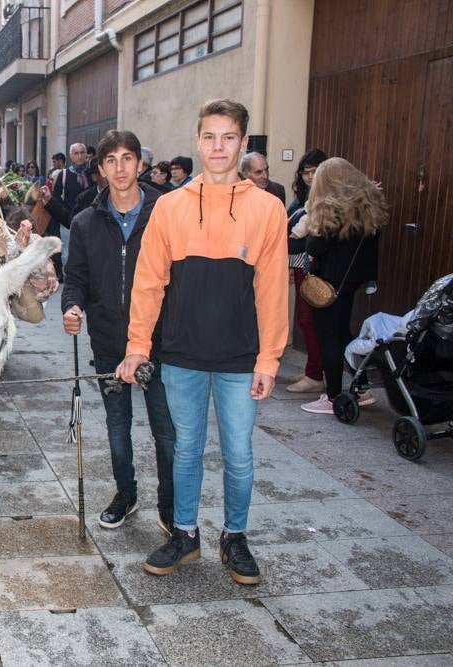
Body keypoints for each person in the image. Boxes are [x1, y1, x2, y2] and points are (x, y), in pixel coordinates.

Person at [120, 99, 288, 586]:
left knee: (238, 454)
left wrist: (270, 359)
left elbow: (274, 287)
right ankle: (186, 533)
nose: (218, 147)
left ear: (242, 143)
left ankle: (234, 537)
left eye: (228, 137)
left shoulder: (267, 209)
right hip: (181, 354)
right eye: (210, 137)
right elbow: (149, 283)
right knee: (186, 449)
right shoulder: (170, 206)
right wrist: (138, 346)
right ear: (198, 141)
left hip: (241, 357)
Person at [62, 130, 176, 535]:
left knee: (167, 431)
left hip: (162, 344)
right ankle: (125, 494)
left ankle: (169, 504)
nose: (120, 168)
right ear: (101, 169)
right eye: (111, 160)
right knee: (117, 426)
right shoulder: (85, 222)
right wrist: (71, 307)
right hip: (109, 342)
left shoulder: (166, 212)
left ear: (140, 164)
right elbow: (74, 279)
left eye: (128, 158)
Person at [300, 158, 387, 415]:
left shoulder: (332, 210)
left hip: (329, 281)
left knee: (329, 337)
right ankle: (361, 387)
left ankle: (333, 395)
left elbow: (314, 246)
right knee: (342, 333)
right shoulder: (367, 206)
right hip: (353, 280)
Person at [283, 148, 329, 393]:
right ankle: (313, 369)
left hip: (314, 266)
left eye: (314, 171)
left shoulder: (326, 197)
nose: (309, 177)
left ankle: (314, 375)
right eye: (305, 172)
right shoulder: (303, 197)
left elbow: (306, 235)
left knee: (309, 320)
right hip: (301, 264)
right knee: (305, 319)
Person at [52, 142, 90, 210]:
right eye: (76, 153)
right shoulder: (64, 174)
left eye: (82, 153)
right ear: (71, 156)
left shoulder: (92, 173)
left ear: (86, 154)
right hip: (70, 216)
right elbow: (56, 197)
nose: (80, 156)